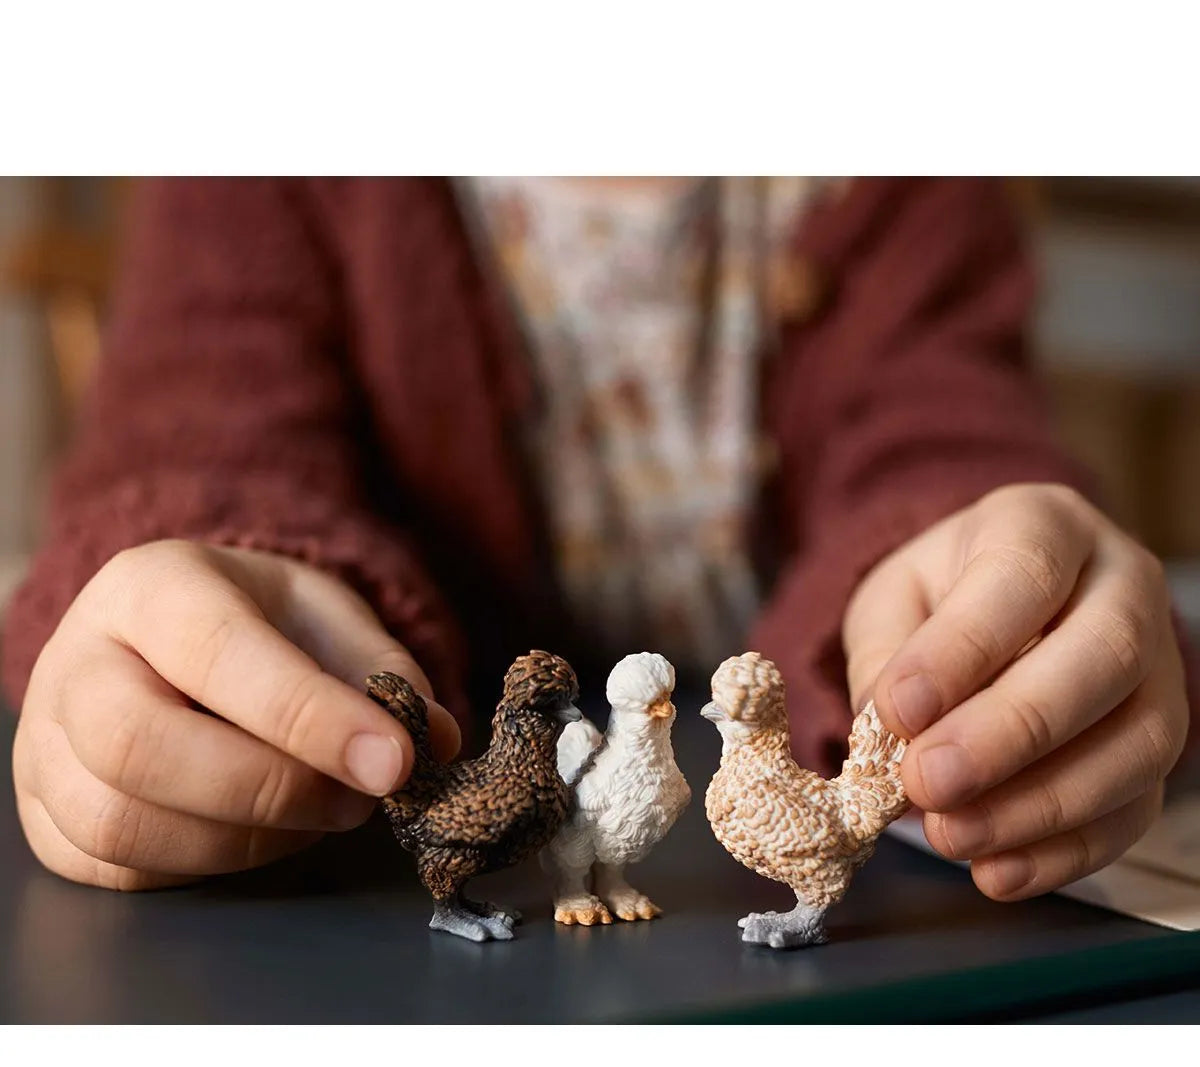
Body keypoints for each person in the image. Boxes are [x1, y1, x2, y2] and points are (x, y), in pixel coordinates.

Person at [1, 177, 1190, 903]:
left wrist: (997, 575)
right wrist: (201, 590)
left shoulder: (902, 173)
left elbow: (942, 431)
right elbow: (204, 434)